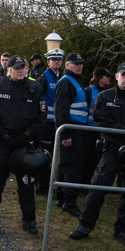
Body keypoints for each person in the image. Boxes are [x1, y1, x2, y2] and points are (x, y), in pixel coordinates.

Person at [69, 62, 125, 243]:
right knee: (98, 187)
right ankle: (84, 226)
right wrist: (123, 130)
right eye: (123, 75)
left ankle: (123, 230)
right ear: (117, 76)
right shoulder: (105, 97)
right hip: (111, 149)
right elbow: (99, 120)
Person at [0, 55, 47, 237]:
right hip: (1, 144)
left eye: (23, 67)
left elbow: (41, 117)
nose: (21, 70)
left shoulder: (35, 88)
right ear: (8, 69)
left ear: (27, 69)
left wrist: (27, 135)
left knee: (26, 185)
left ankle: (29, 221)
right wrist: (2, 134)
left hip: (25, 145)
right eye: (17, 67)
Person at [54, 53, 93, 217]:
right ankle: (69, 202)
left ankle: (61, 197)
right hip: (71, 130)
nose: (80, 66)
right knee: (73, 166)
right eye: (76, 63)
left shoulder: (73, 81)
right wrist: (66, 134)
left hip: (75, 129)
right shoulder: (67, 82)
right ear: (67, 65)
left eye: (81, 63)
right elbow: (61, 110)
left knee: (66, 164)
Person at [34, 48, 64, 195]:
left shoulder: (61, 77)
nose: (56, 61)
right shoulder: (44, 77)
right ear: (48, 62)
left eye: (58, 59)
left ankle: (49, 184)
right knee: (44, 155)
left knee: (53, 156)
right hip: (46, 124)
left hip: (56, 124)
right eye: (53, 59)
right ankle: (42, 187)